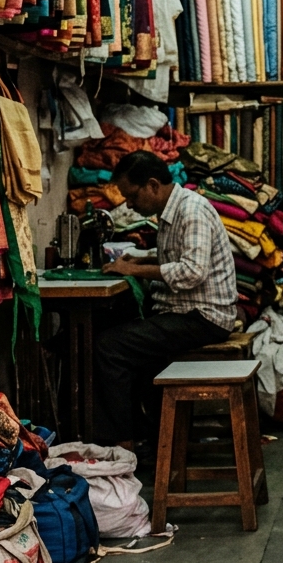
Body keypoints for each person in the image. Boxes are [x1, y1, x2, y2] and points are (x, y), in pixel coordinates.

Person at [92, 150, 238, 448]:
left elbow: (192, 272)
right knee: (123, 336)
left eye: (132, 196)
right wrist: (142, 256)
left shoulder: (191, 211)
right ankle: (150, 435)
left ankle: (123, 442)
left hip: (204, 317)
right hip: (187, 312)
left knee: (109, 347)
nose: (130, 205)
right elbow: (179, 255)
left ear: (153, 185)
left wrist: (134, 269)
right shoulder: (174, 211)